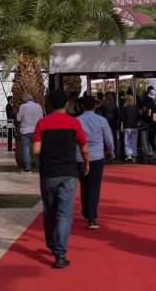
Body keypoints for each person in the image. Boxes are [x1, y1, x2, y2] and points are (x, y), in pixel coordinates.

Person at [33, 88, 89, 268]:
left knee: (50, 211)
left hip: (48, 174)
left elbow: (36, 150)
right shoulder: (74, 123)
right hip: (69, 174)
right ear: (67, 104)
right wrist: (86, 163)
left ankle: (51, 243)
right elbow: (84, 147)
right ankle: (60, 254)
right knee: (65, 214)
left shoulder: (42, 123)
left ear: (49, 105)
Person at [76, 95, 114, 229]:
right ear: (96, 106)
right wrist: (110, 150)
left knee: (84, 185)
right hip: (97, 157)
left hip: (80, 157)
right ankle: (92, 217)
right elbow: (109, 139)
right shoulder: (101, 120)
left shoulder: (77, 120)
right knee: (94, 187)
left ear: (82, 106)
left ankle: (86, 210)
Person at [17, 93, 44, 173]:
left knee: (26, 149)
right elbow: (41, 118)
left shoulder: (23, 107)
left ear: (24, 100)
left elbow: (19, 119)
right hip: (36, 130)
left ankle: (28, 169)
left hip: (25, 130)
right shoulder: (38, 106)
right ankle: (40, 167)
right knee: (38, 149)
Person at [98, 91, 121, 161]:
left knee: (105, 138)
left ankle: (106, 153)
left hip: (106, 122)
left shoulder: (104, 104)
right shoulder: (114, 104)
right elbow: (118, 113)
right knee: (113, 137)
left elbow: (97, 110)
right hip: (113, 123)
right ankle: (114, 152)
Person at [121, 93, 139, 162]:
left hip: (127, 126)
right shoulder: (135, 107)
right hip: (134, 126)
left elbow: (122, 118)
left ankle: (129, 155)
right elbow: (139, 116)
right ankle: (134, 154)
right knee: (134, 141)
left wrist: (122, 127)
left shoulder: (124, 108)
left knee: (127, 141)